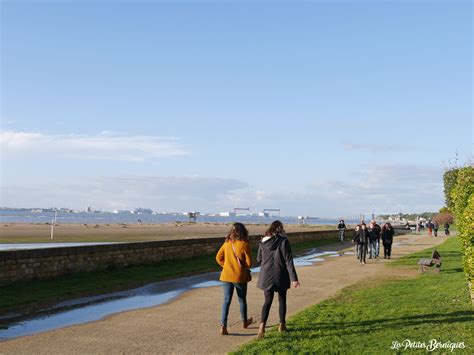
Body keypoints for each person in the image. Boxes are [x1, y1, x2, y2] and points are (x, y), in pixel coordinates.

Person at [256, 220, 300, 339]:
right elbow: (288, 261)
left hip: (266, 275)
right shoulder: (284, 241)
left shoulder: (263, 241)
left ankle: (262, 326)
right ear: (280, 229)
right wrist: (294, 278)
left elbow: (259, 258)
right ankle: (282, 325)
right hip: (280, 274)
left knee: (267, 302)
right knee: (282, 300)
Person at [215, 222, 253, 335]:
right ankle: (245, 322)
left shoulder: (227, 242)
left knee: (226, 301)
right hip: (239, 277)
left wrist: (226, 266)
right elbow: (249, 263)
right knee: (242, 300)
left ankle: (223, 326)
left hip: (226, 276)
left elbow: (218, 257)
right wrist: (241, 267)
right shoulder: (244, 244)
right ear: (243, 231)